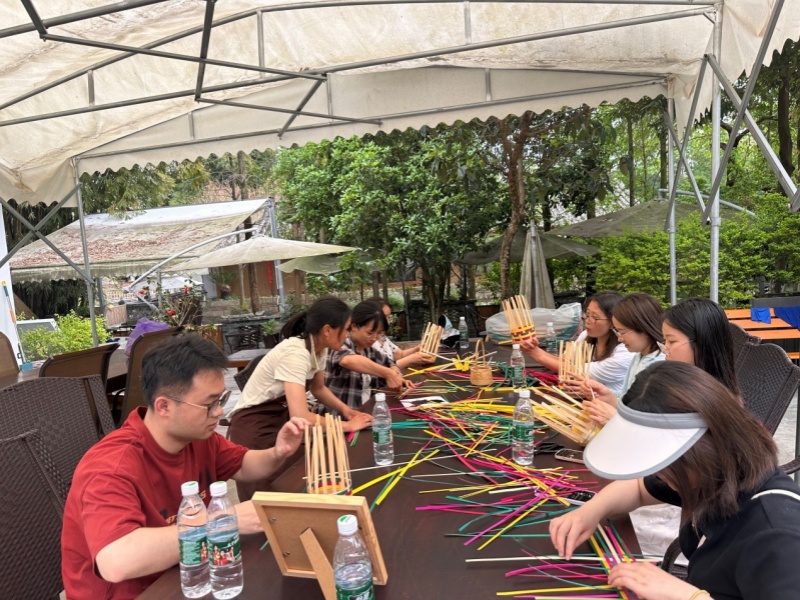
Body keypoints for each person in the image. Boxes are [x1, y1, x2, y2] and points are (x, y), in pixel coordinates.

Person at [61, 335, 309, 600]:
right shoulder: (111, 467)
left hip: (190, 576)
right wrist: (225, 521)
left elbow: (244, 466)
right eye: (209, 404)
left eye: (221, 399)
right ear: (164, 406)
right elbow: (116, 561)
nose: (219, 412)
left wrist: (277, 453)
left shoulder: (196, 438)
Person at [550, 361, 800, 600]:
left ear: (701, 453)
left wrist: (688, 595)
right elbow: (638, 489)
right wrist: (591, 511)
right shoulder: (716, 476)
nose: (658, 475)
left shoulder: (778, 536)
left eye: (664, 466)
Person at [227, 297, 373, 499]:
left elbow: (318, 388)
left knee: (301, 477)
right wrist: (347, 426)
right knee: (270, 496)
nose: (348, 335)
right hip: (254, 428)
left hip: (278, 422)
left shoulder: (319, 349)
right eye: (346, 329)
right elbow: (301, 416)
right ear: (328, 330)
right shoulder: (295, 353)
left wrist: (346, 411)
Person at [521, 292, 633, 398]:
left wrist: (535, 353)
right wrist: (534, 349)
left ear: (614, 322)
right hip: (583, 399)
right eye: (587, 315)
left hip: (611, 406)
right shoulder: (586, 335)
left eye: (594, 317)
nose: (588, 321)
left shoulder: (625, 353)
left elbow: (574, 371)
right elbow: (564, 361)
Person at [581, 292, 665, 424]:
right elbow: (626, 397)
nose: (619, 338)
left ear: (644, 328)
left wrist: (613, 413)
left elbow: (647, 419)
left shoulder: (660, 367)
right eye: (617, 332)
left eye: (622, 332)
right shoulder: (639, 356)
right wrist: (606, 394)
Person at [326, 300, 412, 409]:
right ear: (354, 326)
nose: (374, 338)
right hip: (339, 416)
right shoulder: (339, 344)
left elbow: (389, 363)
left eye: (379, 333)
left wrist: (397, 376)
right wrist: (388, 373)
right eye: (369, 333)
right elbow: (347, 360)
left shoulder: (369, 350)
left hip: (365, 412)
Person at [660, 297, 740, 396]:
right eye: (665, 341)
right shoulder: (684, 386)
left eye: (672, 341)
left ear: (701, 343)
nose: (664, 350)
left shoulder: (699, 399)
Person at [369, 297, 435, 368]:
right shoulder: (369, 342)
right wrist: (410, 359)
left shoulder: (382, 337)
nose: (389, 321)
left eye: (389, 317)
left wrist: (417, 348)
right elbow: (380, 369)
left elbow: (400, 355)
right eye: (385, 317)